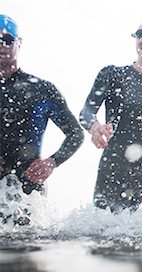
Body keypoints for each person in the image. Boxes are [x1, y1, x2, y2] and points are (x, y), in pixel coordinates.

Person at [79, 19, 142, 212]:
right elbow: (87, 111)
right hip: (114, 168)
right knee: (103, 235)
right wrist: (95, 127)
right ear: (135, 39)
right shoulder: (113, 75)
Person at [0, 14, 83, 196]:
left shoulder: (41, 89)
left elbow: (75, 134)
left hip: (28, 193)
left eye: (7, 39)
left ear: (18, 43)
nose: (2, 45)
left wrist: (52, 162)